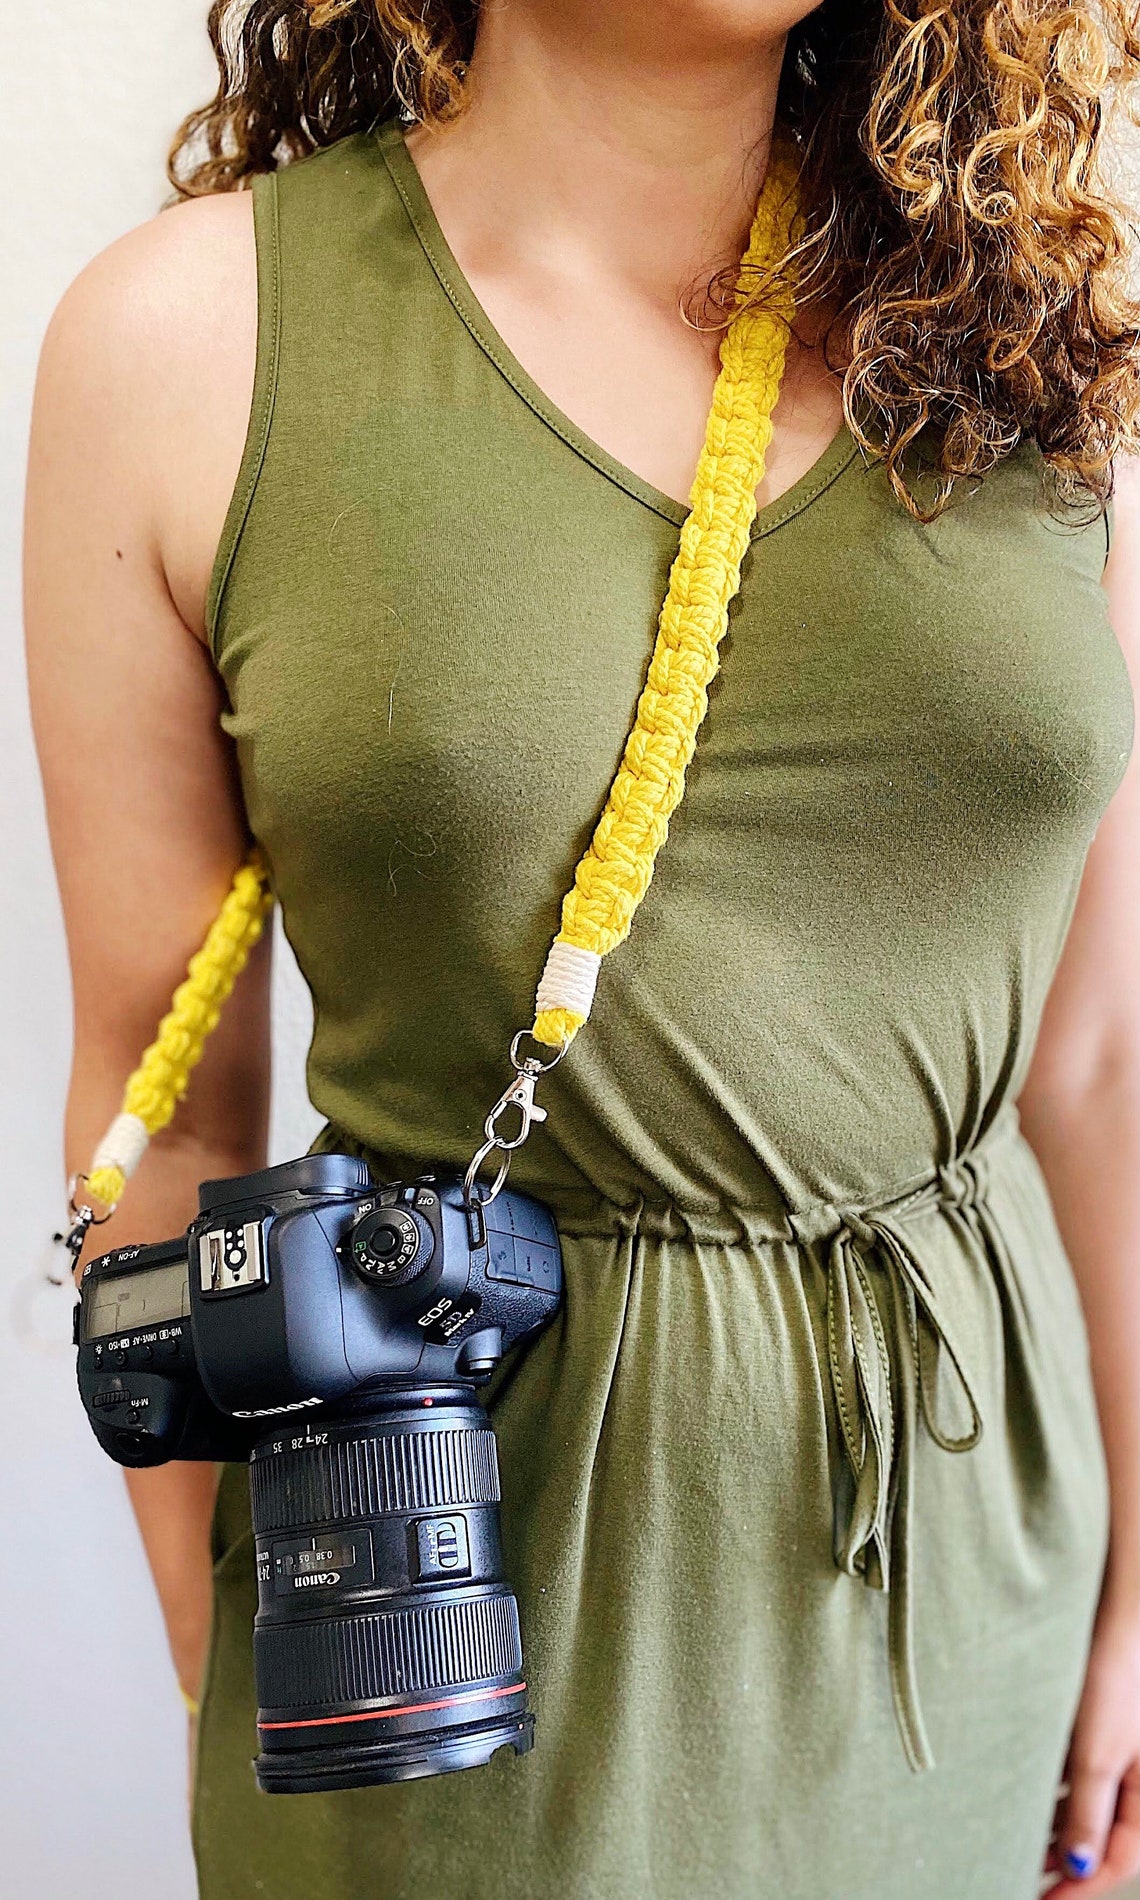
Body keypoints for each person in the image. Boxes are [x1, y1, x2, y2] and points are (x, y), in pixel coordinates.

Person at [23, 0, 1140, 1894]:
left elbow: (1096, 1059)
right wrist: (252, 1666)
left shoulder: (1037, 336)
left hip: (986, 1592)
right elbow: (169, 1119)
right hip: (468, 1632)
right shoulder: (185, 345)